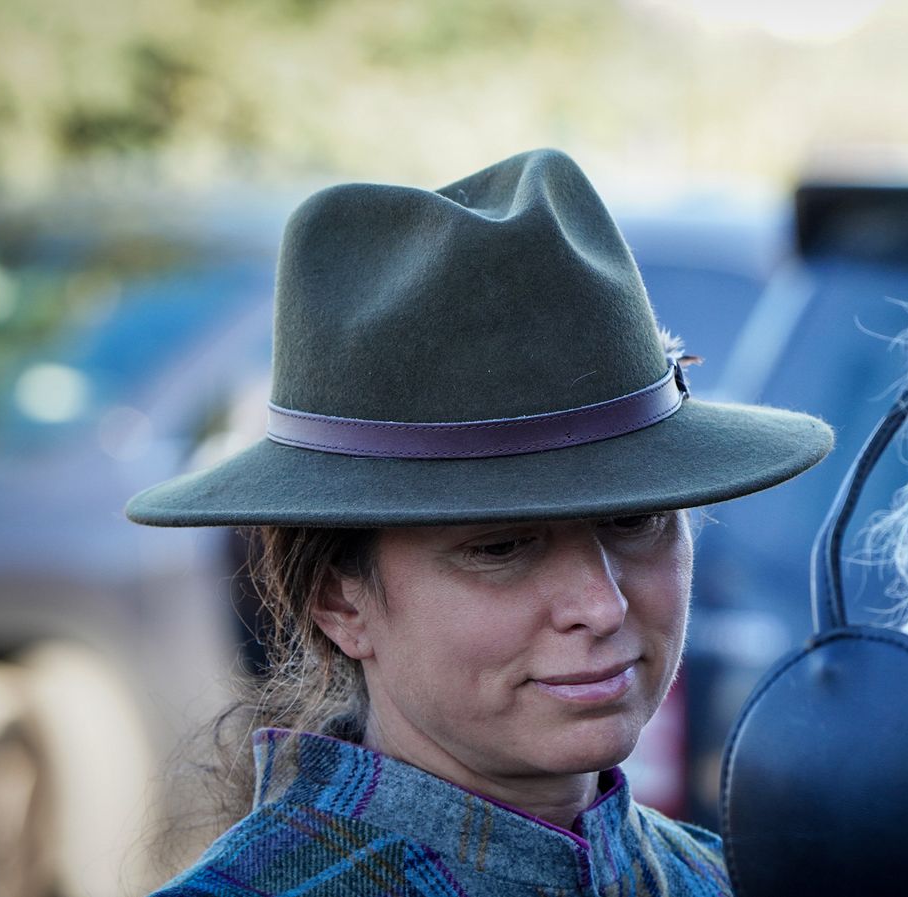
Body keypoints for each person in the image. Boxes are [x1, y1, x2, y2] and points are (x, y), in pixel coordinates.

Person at [125, 149, 832, 896]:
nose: (602, 604)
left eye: (637, 518)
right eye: (499, 548)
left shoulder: (719, 878)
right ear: (340, 600)